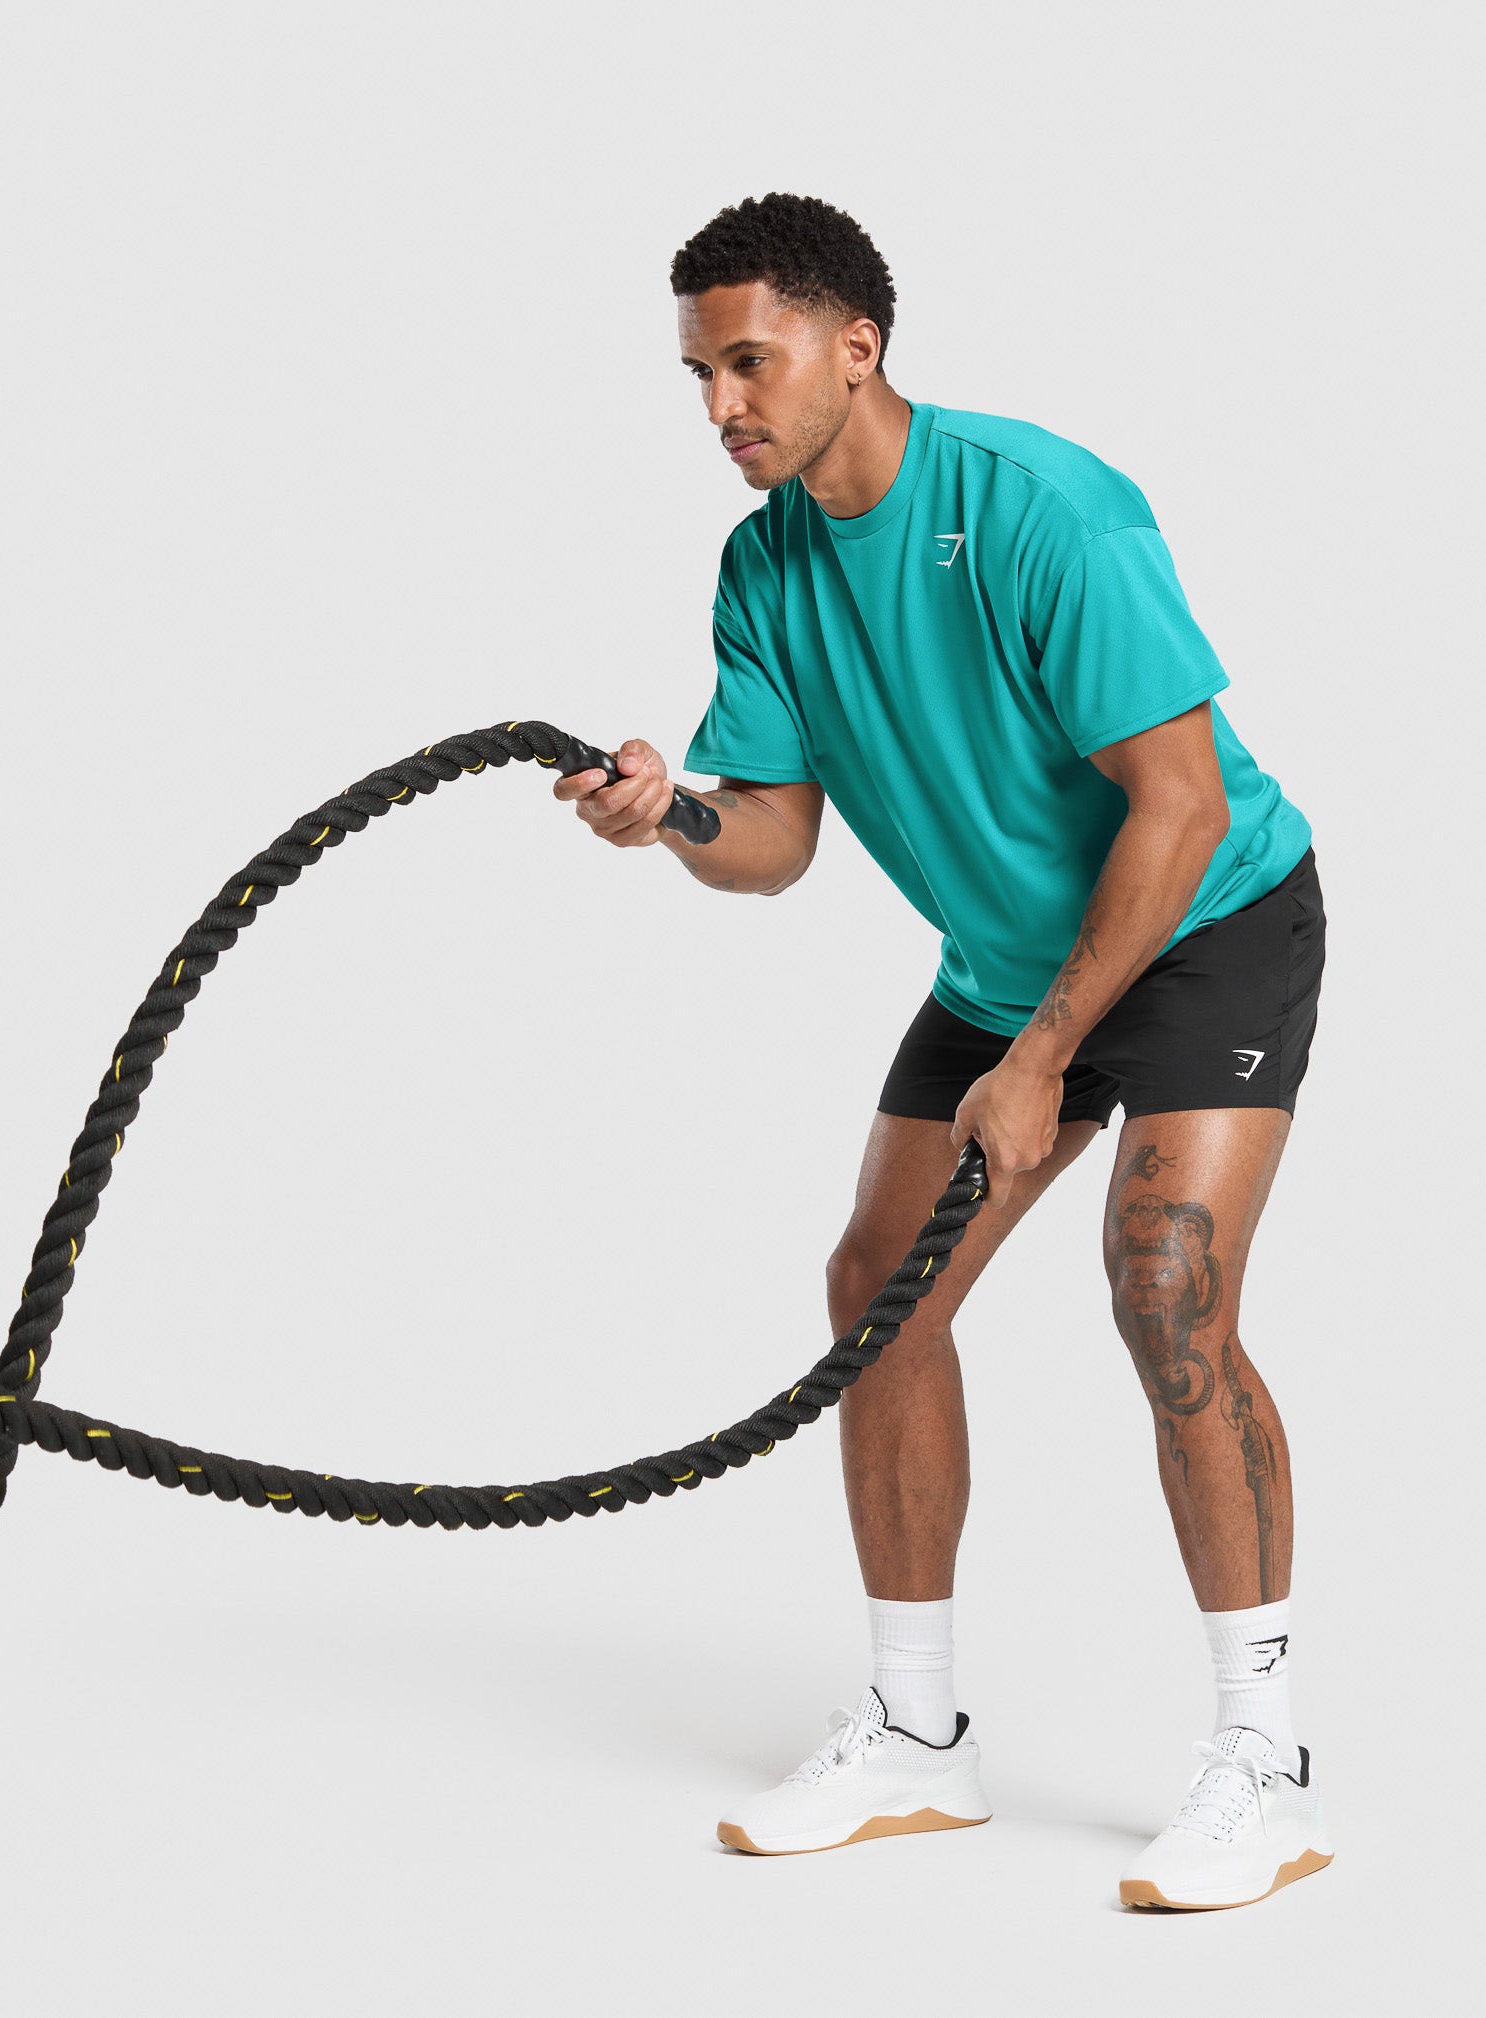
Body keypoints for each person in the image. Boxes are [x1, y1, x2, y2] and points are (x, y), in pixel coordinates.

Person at [556, 192, 1330, 1911]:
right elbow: (772, 839)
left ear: (857, 346)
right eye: (697, 376)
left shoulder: (1044, 507)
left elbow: (1180, 803)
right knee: (878, 1291)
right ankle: (918, 1732)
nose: (720, 407)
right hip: (1008, 958)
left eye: (748, 362)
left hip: (1205, 922)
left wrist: (1049, 1052)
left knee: (1166, 1284)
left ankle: (1264, 1759)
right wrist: (667, 813)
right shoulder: (765, 567)